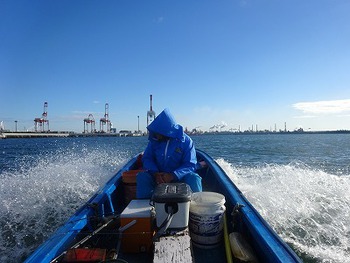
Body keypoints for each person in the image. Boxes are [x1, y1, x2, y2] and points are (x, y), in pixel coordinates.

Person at [136, 108, 202, 199]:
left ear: (166, 131)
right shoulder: (154, 141)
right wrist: (155, 174)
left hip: (180, 178)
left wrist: (172, 175)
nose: (156, 136)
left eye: (158, 133)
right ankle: (145, 208)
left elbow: (190, 164)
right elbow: (147, 158)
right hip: (158, 178)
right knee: (142, 177)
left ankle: (195, 206)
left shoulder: (186, 141)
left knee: (194, 178)